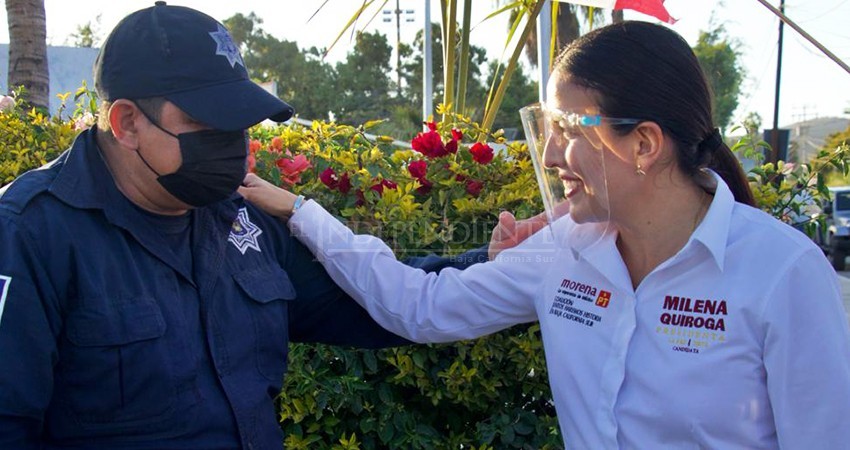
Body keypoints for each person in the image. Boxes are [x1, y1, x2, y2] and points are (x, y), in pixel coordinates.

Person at [240, 21, 850, 449]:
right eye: (547, 128)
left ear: (644, 143)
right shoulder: (564, 252)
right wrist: (300, 210)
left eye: (570, 128)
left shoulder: (781, 274)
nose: (551, 153)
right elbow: (419, 306)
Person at [0, 3, 525, 449]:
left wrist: (495, 267)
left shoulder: (241, 216)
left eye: (241, 124)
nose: (232, 143)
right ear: (127, 122)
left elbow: (378, 298)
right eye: (208, 123)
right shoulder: (31, 234)